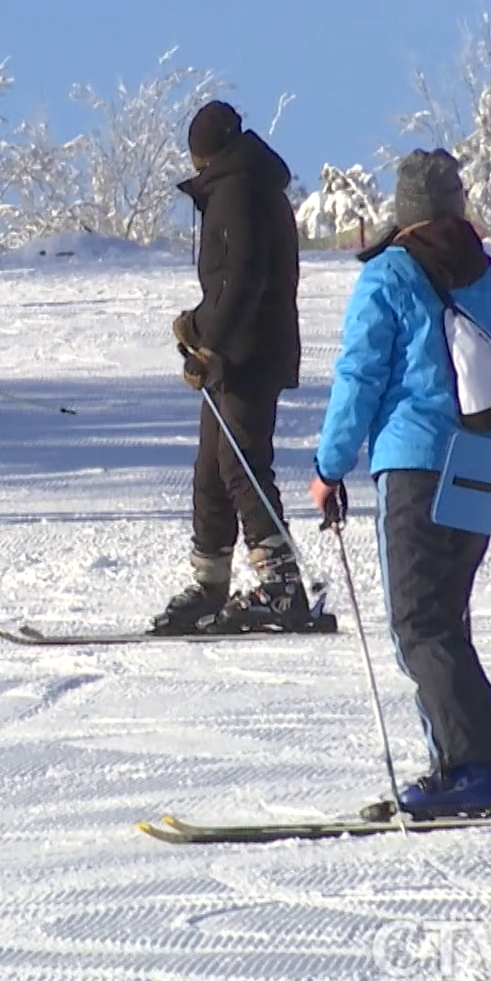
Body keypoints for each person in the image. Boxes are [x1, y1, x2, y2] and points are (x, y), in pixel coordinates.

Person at [312, 149, 491, 815]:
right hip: (481, 468)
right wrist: (475, 420)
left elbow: (359, 379)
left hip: (414, 465)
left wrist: (331, 467)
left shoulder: (388, 276)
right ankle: (488, 762)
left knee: (419, 626)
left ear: (408, 211)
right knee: (446, 623)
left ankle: (472, 769)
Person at [153, 100, 310, 634]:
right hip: (237, 347)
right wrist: (204, 336)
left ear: (204, 156)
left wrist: (203, 335)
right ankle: (210, 583)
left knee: (241, 464)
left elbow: (239, 279)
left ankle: (283, 586)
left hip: (248, 352)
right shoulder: (245, 184)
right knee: (213, 469)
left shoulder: (238, 189)